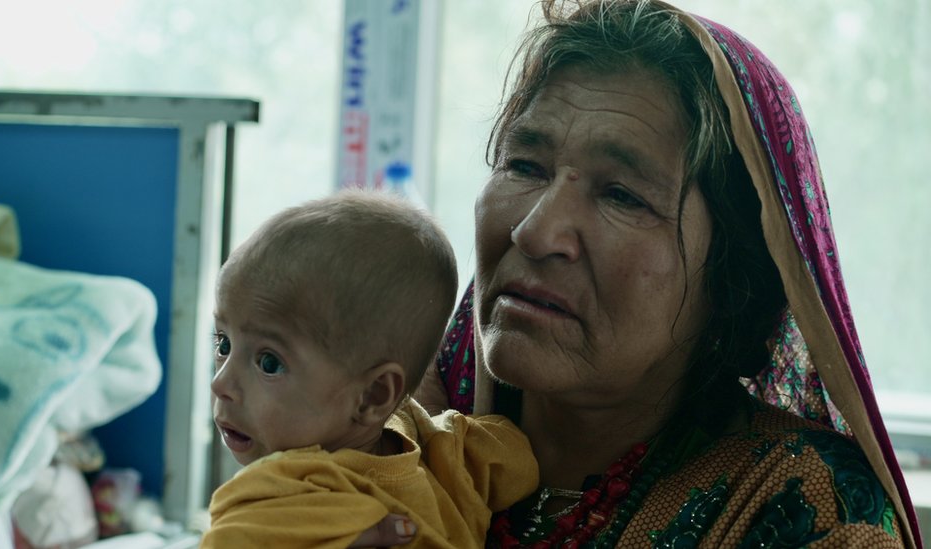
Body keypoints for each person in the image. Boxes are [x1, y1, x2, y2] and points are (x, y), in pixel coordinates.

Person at [364, 0, 925, 547]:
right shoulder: (364, 415)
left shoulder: (807, 508)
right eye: (524, 165)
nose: (534, 232)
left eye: (622, 195)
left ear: (732, 281)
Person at [200, 191, 539, 548]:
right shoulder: (445, 456)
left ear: (374, 394)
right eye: (223, 343)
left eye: (269, 363)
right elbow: (517, 460)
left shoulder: (279, 496)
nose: (221, 383)